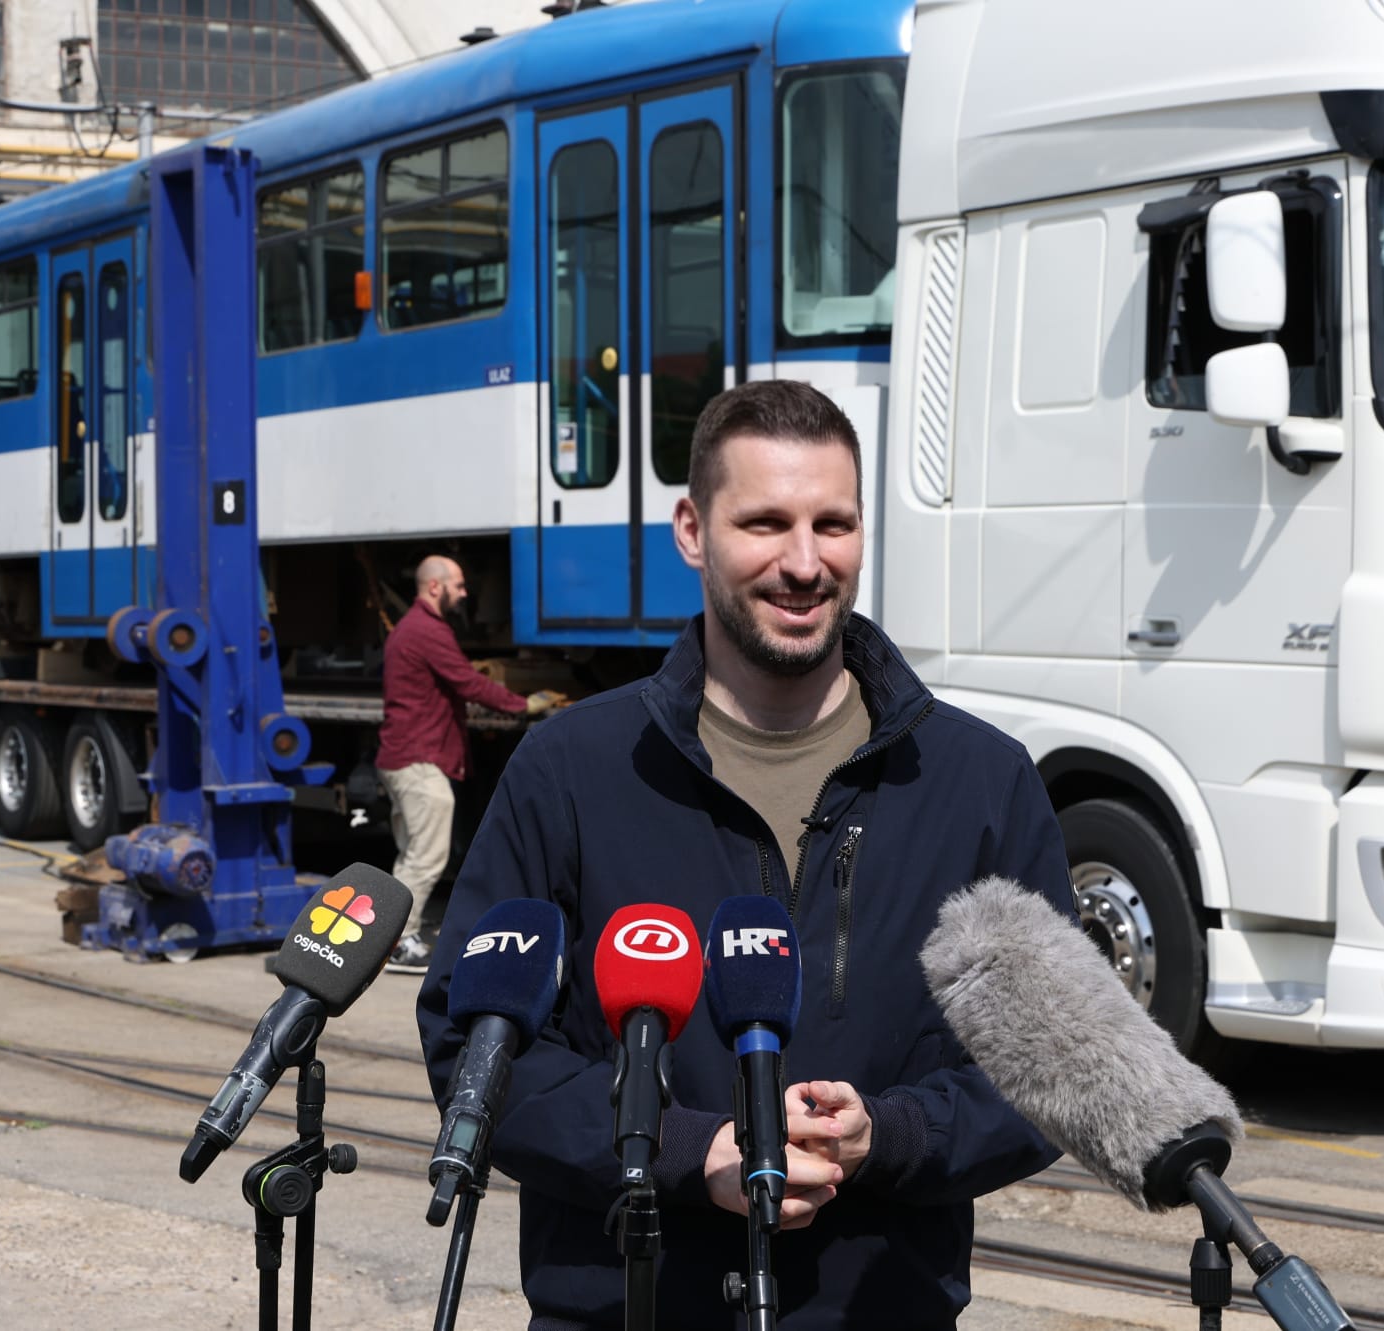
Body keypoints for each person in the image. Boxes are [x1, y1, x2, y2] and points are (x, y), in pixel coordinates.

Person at [417, 380, 1076, 1329]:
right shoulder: (569, 769)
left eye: (833, 524)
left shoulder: (981, 782)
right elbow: (475, 1045)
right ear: (693, 531)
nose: (804, 562)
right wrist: (685, 1150)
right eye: (765, 523)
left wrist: (889, 1134)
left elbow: (1052, 1068)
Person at [379, 554, 553, 973]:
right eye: (457, 585)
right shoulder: (426, 630)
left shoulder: (413, 627)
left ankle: (388, 937)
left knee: (411, 855)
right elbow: (468, 681)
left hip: (404, 756)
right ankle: (399, 944)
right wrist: (522, 705)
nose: (464, 592)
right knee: (427, 857)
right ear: (434, 586)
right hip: (419, 761)